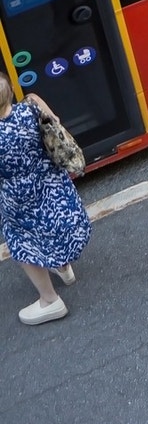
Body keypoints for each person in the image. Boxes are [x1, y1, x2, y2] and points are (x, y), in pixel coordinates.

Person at [0, 90, 91, 325]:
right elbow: (54, 121)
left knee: (22, 240)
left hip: (17, 197)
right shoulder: (30, 108)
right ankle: (63, 267)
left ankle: (50, 301)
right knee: (51, 223)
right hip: (50, 181)